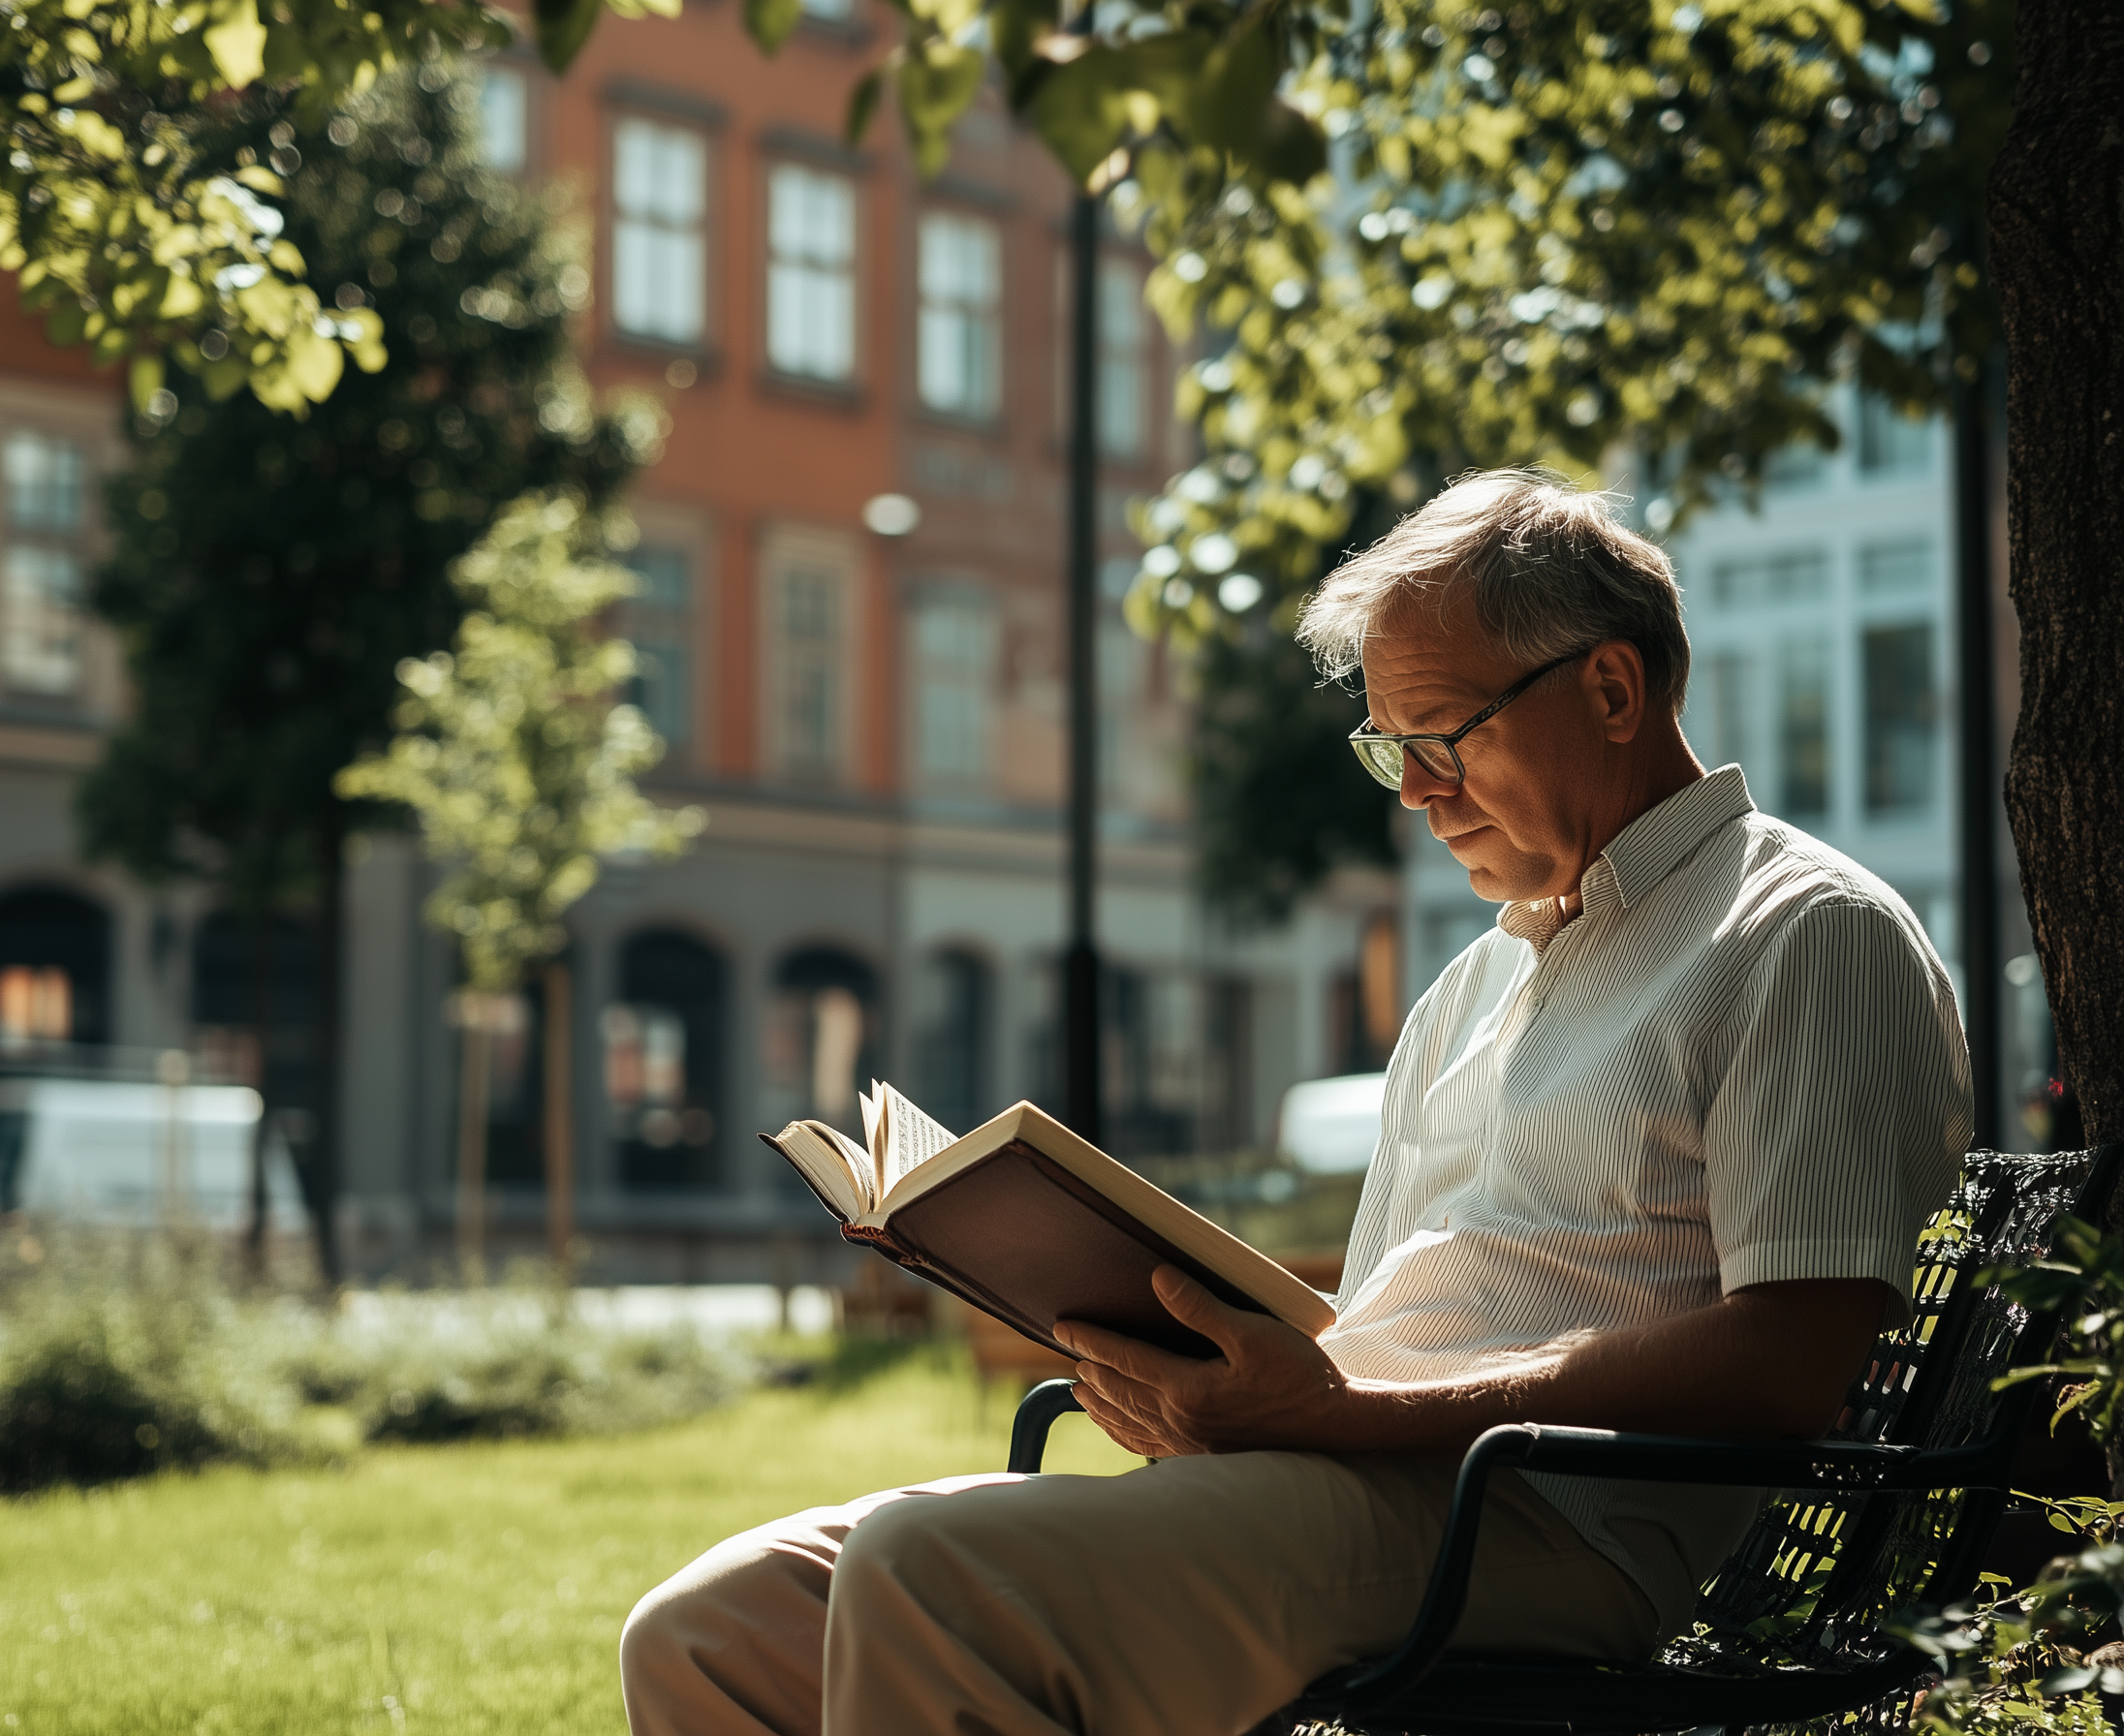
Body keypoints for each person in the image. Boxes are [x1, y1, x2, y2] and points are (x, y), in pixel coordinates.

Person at [618, 469, 1971, 1736]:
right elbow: (1369, 1334)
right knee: (708, 1629)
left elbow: (1794, 1356)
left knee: (931, 1576)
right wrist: (1194, 1370)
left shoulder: (1804, 932)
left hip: (1555, 1524)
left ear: (1612, 688)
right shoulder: (1475, 985)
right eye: (1394, 752)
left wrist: (1339, 1417)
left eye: (1445, 736)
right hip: (1353, 1484)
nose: (1422, 797)